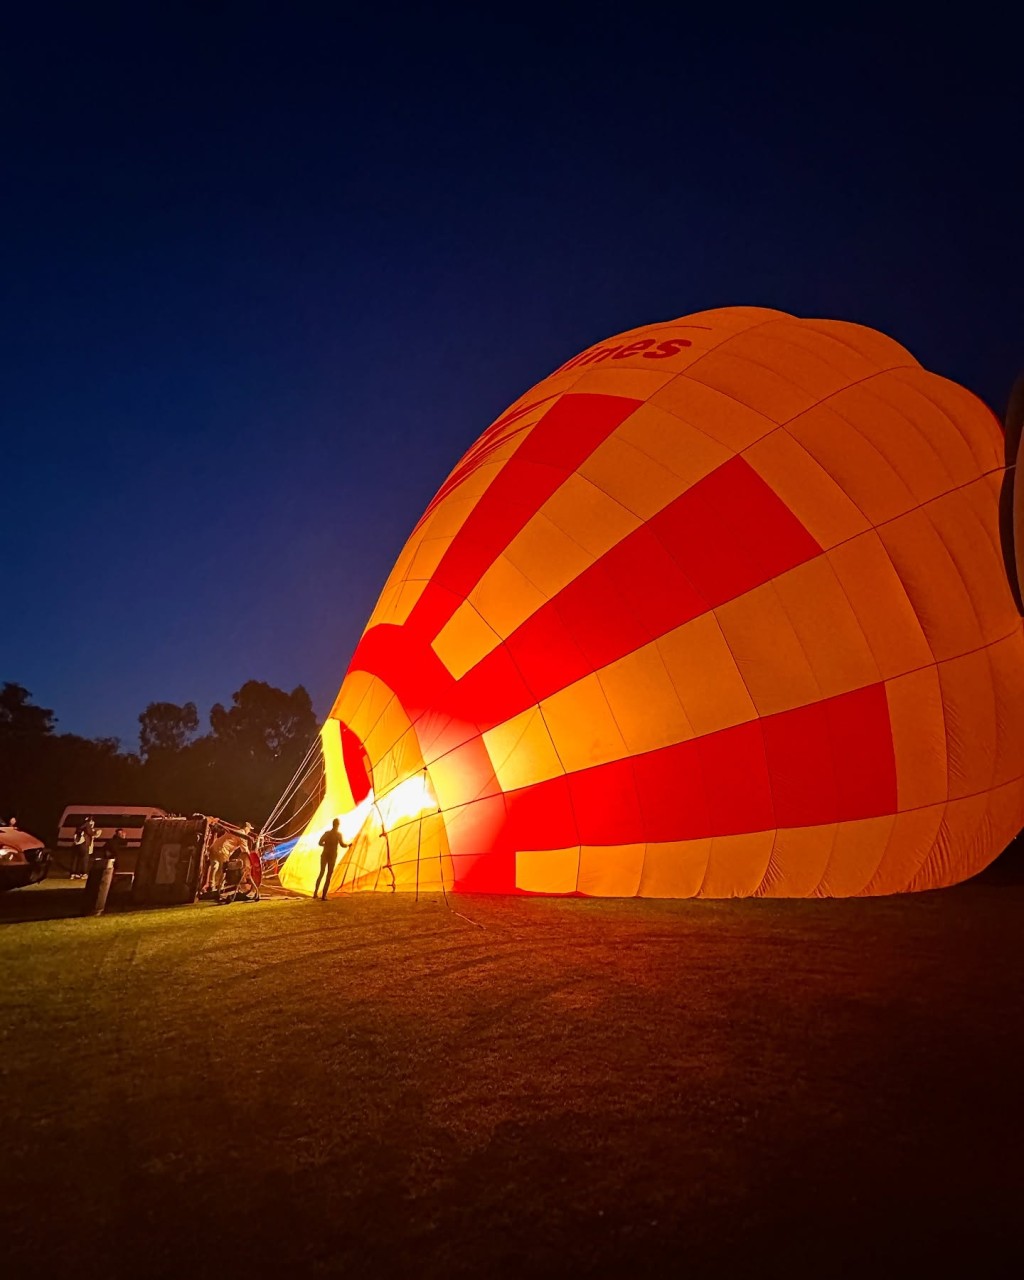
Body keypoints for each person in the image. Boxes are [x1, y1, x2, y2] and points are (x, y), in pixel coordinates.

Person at [315, 819, 350, 900]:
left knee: (321, 873)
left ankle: (315, 893)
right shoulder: (338, 835)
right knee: (328, 875)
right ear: (337, 825)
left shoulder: (327, 834)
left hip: (325, 855)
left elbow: (320, 843)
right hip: (332, 856)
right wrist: (348, 845)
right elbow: (342, 844)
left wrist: (326, 845)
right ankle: (323, 896)